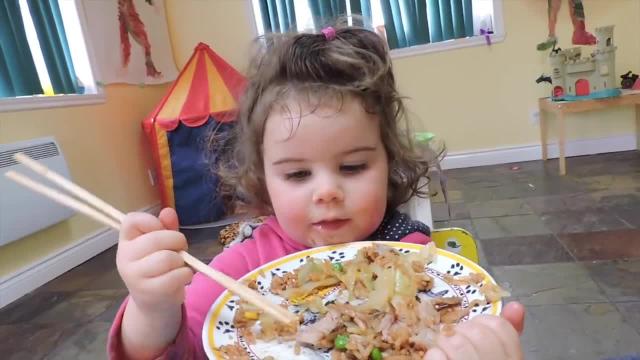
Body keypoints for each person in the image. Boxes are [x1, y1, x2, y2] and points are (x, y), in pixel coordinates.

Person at [108, 24, 525, 359]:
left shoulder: (412, 255)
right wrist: (152, 309)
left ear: (388, 163)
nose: (326, 191)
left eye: (353, 166)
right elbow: (184, 347)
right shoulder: (243, 267)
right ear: (263, 180)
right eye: (297, 174)